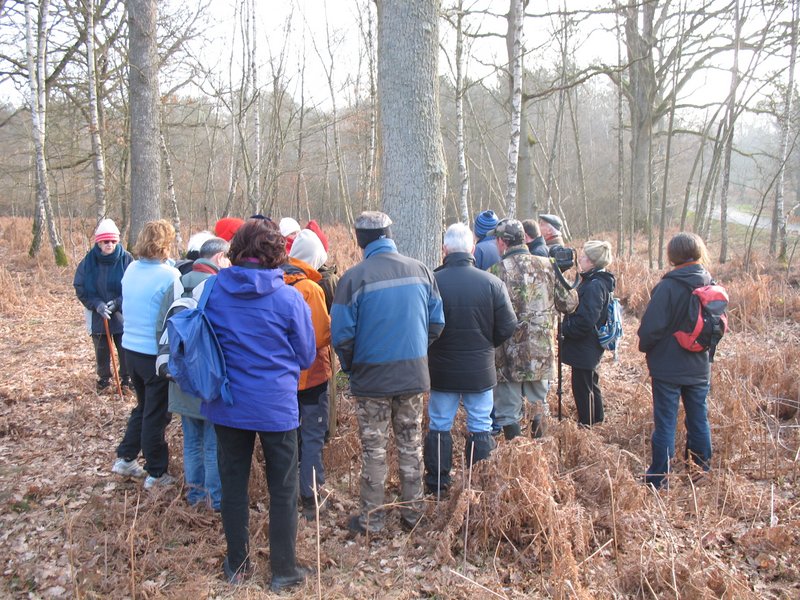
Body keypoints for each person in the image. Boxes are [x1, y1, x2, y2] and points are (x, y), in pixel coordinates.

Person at [201, 219, 316, 591]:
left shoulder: (213, 289)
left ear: (236, 249)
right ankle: (284, 570)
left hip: (227, 402)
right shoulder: (288, 297)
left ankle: (237, 565)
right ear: (275, 254)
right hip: (275, 406)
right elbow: (307, 355)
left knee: (233, 484)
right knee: (282, 488)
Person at [331, 211, 444, 534]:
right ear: (390, 234)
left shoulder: (353, 278)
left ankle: (373, 520)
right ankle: (414, 515)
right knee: (411, 446)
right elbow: (437, 323)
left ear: (360, 240)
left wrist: (353, 367)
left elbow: (342, 336)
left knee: (374, 450)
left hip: (371, 382)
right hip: (412, 377)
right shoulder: (421, 271)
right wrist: (416, 352)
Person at [424, 223, 517, 497]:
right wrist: (487, 345)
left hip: (441, 368)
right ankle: (478, 486)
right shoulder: (491, 283)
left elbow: (422, 325)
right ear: (473, 249)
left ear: (444, 249)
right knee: (480, 424)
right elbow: (508, 325)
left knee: (440, 424)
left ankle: (438, 485)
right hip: (480, 369)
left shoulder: (432, 281)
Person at [156, 236, 230, 511]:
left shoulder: (174, 285)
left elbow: (159, 331)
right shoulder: (217, 288)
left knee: (191, 443)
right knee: (212, 445)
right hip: (207, 381)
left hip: (178, 379)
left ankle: (195, 496)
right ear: (219, 257)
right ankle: (214, 500)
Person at [638, 232, 714, 490]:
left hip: (667, 368)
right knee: (699, 419)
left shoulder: (668, 287)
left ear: (672, 256)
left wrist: (644, 347)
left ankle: (659, 478)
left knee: (666, 422)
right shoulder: (709, 283)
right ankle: (700, 471)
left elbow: (650, 328)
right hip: (700, 366)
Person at [489, 218, 578, 440]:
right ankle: (539, 455)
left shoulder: (495, 271)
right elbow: (568, 304)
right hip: (540, 351)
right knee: (539, 403)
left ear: (502, 242)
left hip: (507, 353)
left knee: (508, 410)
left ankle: (516, 457)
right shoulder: (548, 265)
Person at [112, 220, 181, 489]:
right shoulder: (168, 276)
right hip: (153, 355)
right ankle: (156, 472)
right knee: (156, 414)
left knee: (143, 408)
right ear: (166, 244)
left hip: (130, 350)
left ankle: (126, 457)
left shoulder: (131, 268)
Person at [285, 229, 332, 520]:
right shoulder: (310, 289)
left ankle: (288, 491)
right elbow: (321, 335)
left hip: (283, 376)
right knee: (313, 435)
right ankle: (311, 497)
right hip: (311, 375)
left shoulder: (277, 280)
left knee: (291, 436)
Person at [74, 218, 134, 393]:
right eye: (105, 241)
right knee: (101, 349)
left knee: (125, 347)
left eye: (113, 241)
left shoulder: (127, 259)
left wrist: (118, 302)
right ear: (98, 242)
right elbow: (80, 286)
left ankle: (126, 380)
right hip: (97, 314)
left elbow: (133, 286)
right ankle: (104, 380)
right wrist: (97, 304)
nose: (109, 244)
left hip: (121, 313)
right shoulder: (89, 261)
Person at [561, 241, 616, 426]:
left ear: (592, 262)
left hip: (585, 344)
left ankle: (587, 424)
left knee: (582, 387)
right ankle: (597, 419)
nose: (580, 259)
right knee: (591, 383)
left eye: (583, 257)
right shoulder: (597, 281)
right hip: (588, 344)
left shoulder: (594, 285)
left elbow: (586, 319)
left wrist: (565, 329)